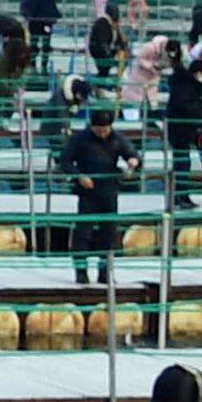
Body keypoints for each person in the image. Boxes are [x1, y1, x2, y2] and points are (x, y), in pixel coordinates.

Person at [61, 105, 132, 288]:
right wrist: (79, 176)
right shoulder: (80, 139)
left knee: (109, 235)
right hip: (88, 193)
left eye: (106, 130)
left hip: (109, 192)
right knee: (83, 234)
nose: (102, 133)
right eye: (99, 130)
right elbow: (65, 161)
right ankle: (81, 272)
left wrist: (133, 162)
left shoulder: (117, 139)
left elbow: (131, 154)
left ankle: (104, 273)